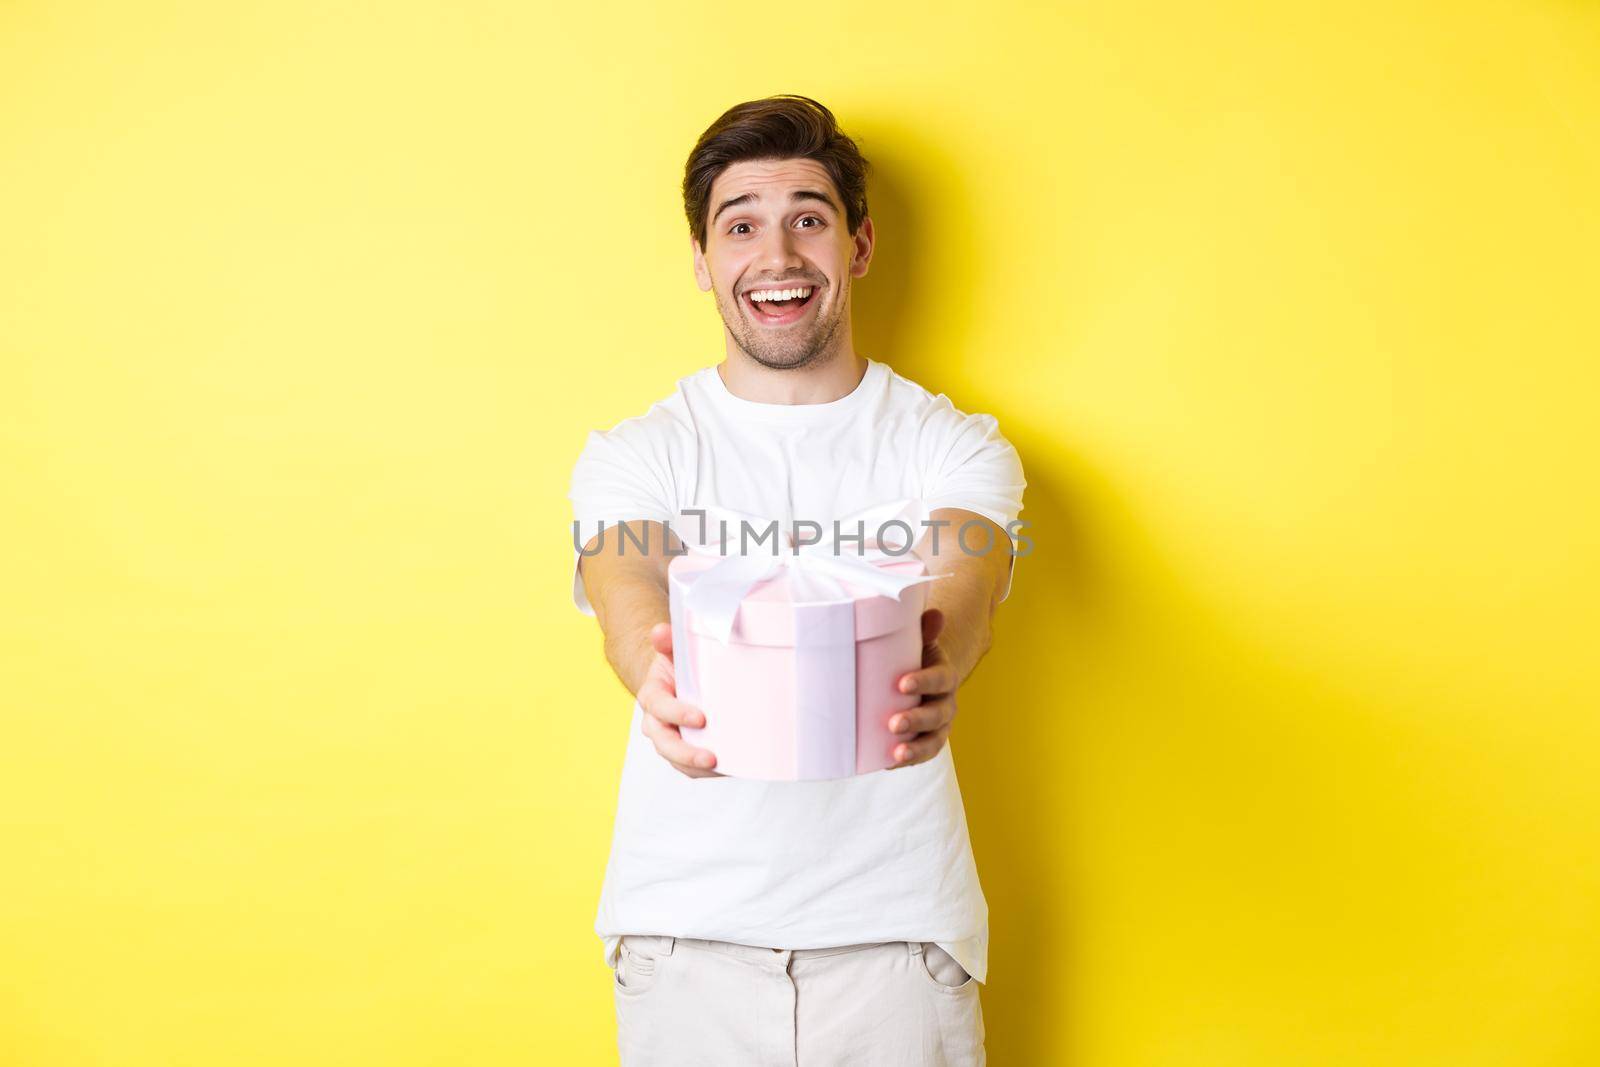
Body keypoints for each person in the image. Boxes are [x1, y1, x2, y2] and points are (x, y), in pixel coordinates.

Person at [569, 94, 1026, 1067]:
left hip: (896, 940)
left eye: (807, 219)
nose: (776, 256)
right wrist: (647, 665)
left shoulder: (953, 444)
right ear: (702, 259)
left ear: (856, 247)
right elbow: (622, 571)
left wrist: (937, 650)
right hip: (685, 939)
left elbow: (968, 567)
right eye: (741, 225)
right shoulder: (638, 453)